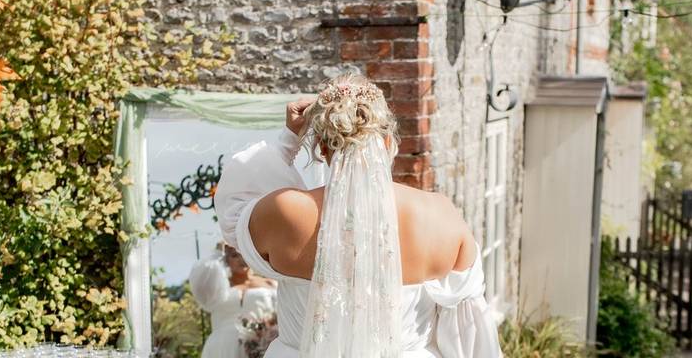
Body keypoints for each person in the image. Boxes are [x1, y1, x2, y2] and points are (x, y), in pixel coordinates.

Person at [214, 73, 502, 357]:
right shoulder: (440, 216)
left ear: (323, 148)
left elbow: (235, 203)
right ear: (389, 141)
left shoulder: (286, 212)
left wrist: (288, 140)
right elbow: (469, 338)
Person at [188, 242, 278, 358]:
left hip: (261, 345)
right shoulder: (216, 287)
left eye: (245, 254)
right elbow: (199, 287)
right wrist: (218, 252)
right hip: (222, 347)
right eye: (235, 255)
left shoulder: (269, 283)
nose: (241, 259)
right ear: (225, 259)